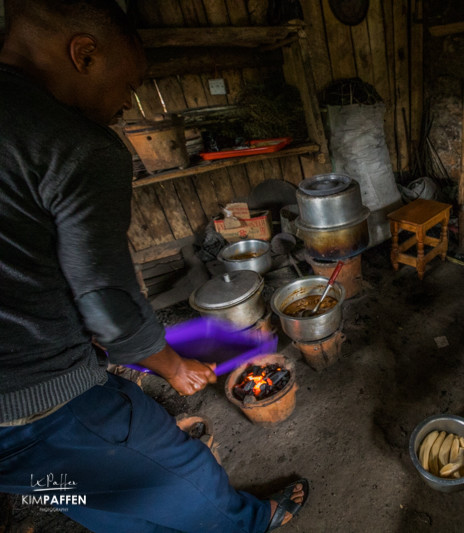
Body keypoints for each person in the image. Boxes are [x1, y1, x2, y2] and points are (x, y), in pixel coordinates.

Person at [0, 1, 307, 531]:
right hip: (36, 400)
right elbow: (107, 300)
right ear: (85, 53)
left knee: (87, 497)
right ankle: (251, 522)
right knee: (183, 469)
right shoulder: (69, 142)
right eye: (131, 82)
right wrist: (170, 364)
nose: (127, 102)